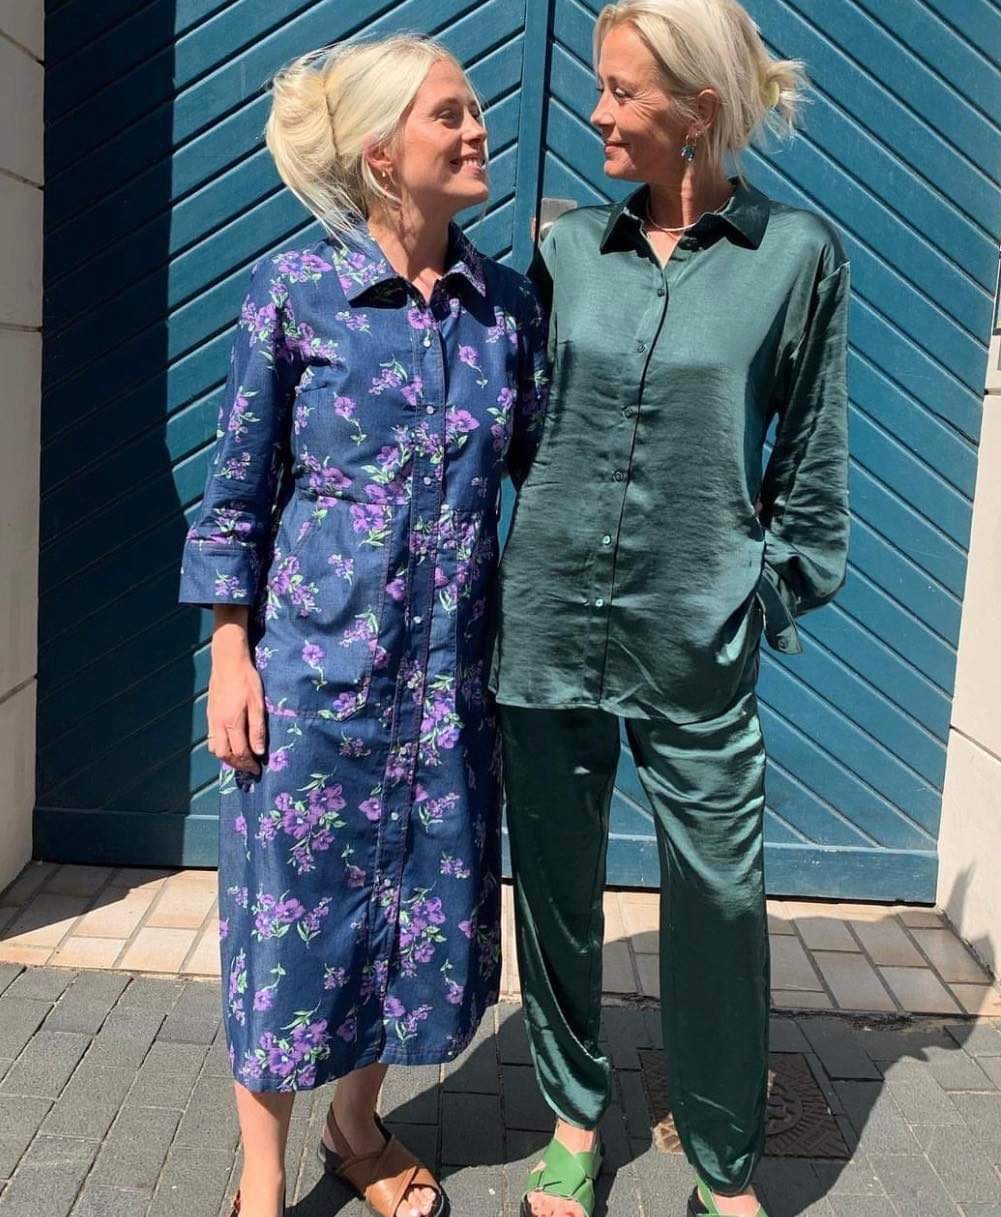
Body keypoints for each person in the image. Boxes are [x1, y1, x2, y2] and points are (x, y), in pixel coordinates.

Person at [491, 2, 851, 1215]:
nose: (595, 112)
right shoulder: (567, 253)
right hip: (549, 621)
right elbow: (510, 426)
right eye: (600, 86)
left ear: (698, 111)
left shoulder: (795, 255)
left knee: (721, 896)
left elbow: (811, 461)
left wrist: (758, 595)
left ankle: (721, 1161)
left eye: (621, 91)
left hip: (696, 632)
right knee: (555, 882)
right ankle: (572, 1114)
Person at [178, 34, 546, 1217]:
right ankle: (258, 1180)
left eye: (473, 109)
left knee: (407, 928)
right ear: (383, 153)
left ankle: (356, 1126)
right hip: (312, 684)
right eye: (451, 113)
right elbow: (236, 495)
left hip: (446, 695)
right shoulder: (295, 293)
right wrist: (229, 653)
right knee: (288, 935)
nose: (477, 128)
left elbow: (545, 483)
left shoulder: (507, 312)